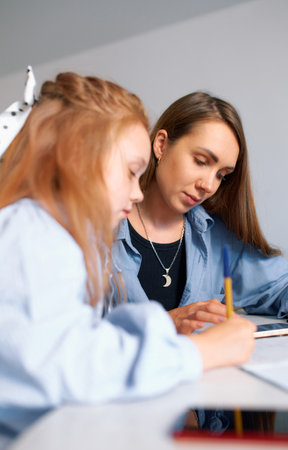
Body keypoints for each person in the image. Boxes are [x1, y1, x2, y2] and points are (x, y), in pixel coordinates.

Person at [0, 73, 255, 446]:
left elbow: (63, 340)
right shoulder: (32, 236)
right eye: (131, 172)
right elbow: (73, 370)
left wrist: (160, 328)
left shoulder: (50, 235)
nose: (137, 191)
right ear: (78, 156)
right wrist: (200, 352)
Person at [114, 91, 288, 334]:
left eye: (222, 175)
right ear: (161, 145)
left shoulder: (215, 236)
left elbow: (282, 284)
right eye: (201, 161)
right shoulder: (95, 229)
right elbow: (68, 331)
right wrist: (167, 322)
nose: (209, 186)